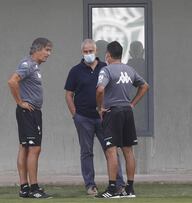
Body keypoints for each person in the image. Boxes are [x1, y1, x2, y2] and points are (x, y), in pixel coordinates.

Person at [64, 39, 125, 195]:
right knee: (86, 152)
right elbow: (69, 94)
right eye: (85, 51)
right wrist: (75, 115)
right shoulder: (75, 71)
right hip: (83, 118)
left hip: (104, 118)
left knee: (111, 150)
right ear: (82, 52)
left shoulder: (106, 68)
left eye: (91, 51)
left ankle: (119, 183)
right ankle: (90, 185)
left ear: (96, 51)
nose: (88, 54)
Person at [96, 41, 149, 198]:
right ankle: (130, 188)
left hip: (113, 112)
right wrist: (132, 103)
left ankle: (112, 190)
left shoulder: (106, 70)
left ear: (108, 55)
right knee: (128, 150)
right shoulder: (129, 69)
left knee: (111, 150)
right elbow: (145, 86)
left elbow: (100, 89)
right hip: (127, 111)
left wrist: (100, 107)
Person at [7, 37, 53, 199]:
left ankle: (24, 188)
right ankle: (33, 188)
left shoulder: (34, 66)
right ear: (37, 49)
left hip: (32, 112)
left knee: (25, 148)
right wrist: (20, 102)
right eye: (47, 50)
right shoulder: (27, 64)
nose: (49, 54)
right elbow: (12, 81)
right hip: (29, 112)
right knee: (34, 149)